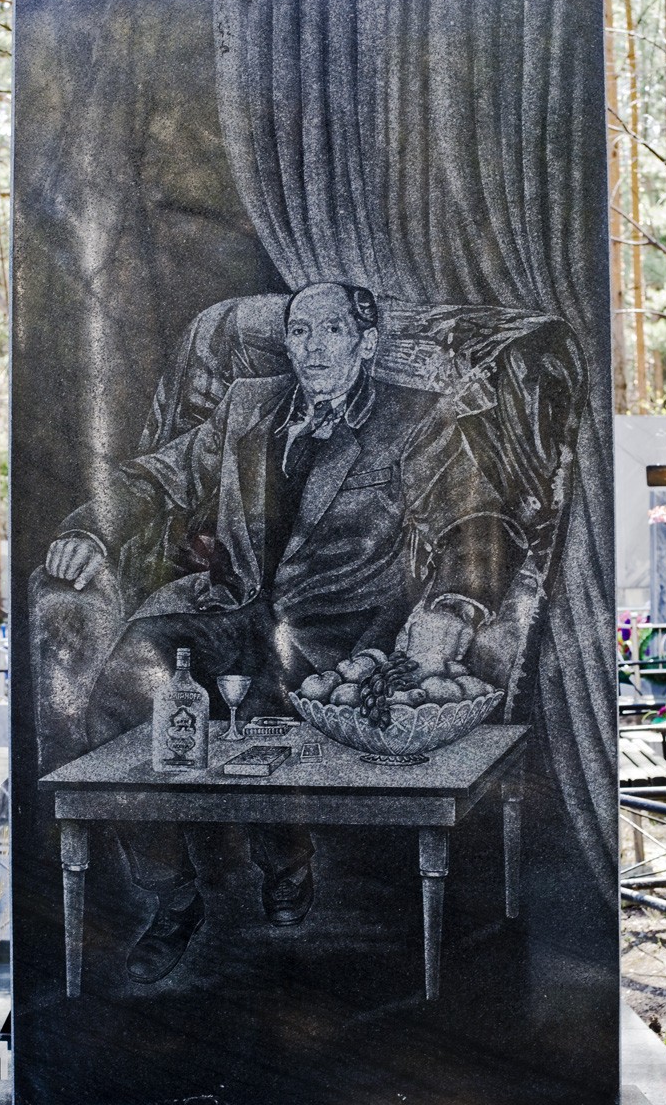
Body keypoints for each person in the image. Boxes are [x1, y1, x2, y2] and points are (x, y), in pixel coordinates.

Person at [44, 282, 528, 983]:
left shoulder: (416, 420)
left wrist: (453, 606)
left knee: (271, 707)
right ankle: (173, 894)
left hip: (337, 633)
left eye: (333, 331)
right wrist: (91, 529)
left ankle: (287, 864)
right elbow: (159, 475)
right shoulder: (249, 404)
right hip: (232, 609)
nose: (313, 348)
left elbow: (477, 521)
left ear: (366, 343)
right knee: (121, 689)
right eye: (301, 331)